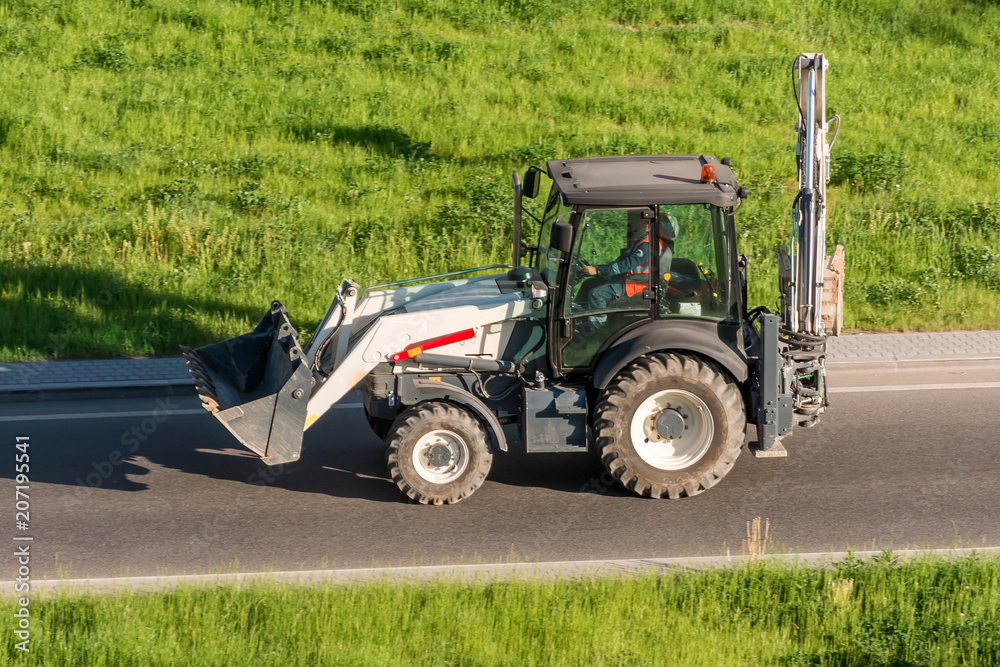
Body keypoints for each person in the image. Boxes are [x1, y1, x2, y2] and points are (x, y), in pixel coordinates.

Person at [579, 209, 676, 331]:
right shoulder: (648, 240)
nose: (630, 224)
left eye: (632, 220)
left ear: (644, 221)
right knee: (590, 283)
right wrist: (600, 271)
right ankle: (580, 319)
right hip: (632, 280)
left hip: (637, 286)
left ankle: (597, 331)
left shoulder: (647, 244)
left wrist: (599, 271)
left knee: (596, 294)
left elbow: (626, 265)